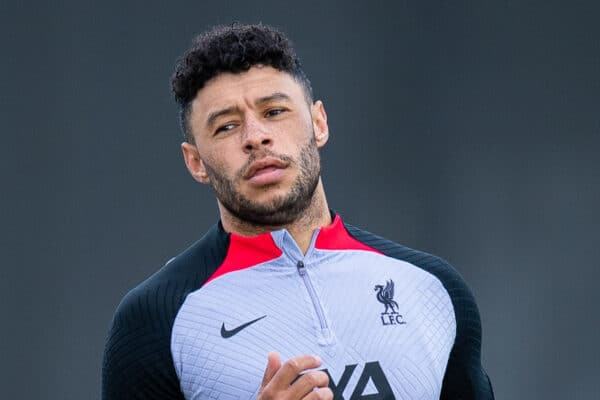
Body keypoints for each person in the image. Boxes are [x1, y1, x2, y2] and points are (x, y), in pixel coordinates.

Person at [101, 23, 494, 400]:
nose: (255, 137)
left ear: (318, 123)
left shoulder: (433, 289)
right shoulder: (156, 320)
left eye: (274, 112)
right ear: (196, 163)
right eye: (226, 127)